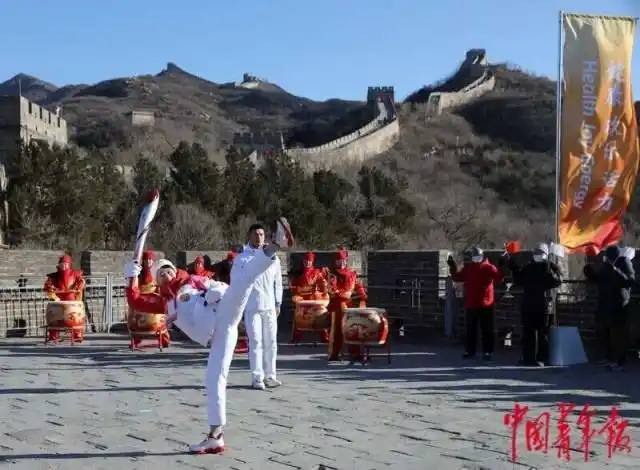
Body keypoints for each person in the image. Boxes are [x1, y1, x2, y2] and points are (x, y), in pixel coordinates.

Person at [125, 219, 292, 454]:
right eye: (161, 273)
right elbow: (135, 300)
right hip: (217, 337)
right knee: (214, 380)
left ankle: (275, 245)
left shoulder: (192, 280)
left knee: (241, 280)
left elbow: (220, 288)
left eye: (168, 269)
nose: (166, 274)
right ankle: (215, 436)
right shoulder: (163, 303)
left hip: (223, 314)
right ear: (157, 280)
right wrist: (131, 277)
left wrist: (212, 293)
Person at [239, 223, 284, 390]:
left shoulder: (274, 258)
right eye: (255, 234)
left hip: (270, 306)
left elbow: (278, 282)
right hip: (252, 307)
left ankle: (270, 375)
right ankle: (257, 377)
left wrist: (278, 302)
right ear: (249, 236)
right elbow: (240, 284)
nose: (259, 237)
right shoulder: (244, 257)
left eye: (261, 234)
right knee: (256, 342)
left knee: (271, 342)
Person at [507, 243, 562, 367]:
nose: (538, 255)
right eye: (536, 253)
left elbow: (557, 281)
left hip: (543, 306)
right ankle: (528, 358)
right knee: (528, 334)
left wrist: (551, 270)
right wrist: (514, 268)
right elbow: (519, 280)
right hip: (529, 304)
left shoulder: (549, 267)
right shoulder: (528, 268)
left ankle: (541, 358)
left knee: (542, 334)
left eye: (540, 253)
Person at [583, 245, 635, 370]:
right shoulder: (606, 267)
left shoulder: (624, 262)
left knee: (618, 335)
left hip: (618, 305)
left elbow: (629, 281)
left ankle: (620, 361)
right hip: (605, 305)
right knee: (604, 333)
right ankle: (608, 358)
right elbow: (598, 280)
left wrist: (616, 270)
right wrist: (589, 272)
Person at [447, 246, 503, 360]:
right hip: (472, 303)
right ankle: (470, 350)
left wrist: (502, 265)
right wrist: (453, 266)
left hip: (486, 303)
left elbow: (499, 278)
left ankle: (487, 351)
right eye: (475, 256)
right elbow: (457, 277)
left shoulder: (489, 267)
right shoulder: (469, 268)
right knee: (470, 329)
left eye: (478, 256)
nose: (476, 258)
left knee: (487, 329)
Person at [131, 250, 171, 348]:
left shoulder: (157, 273)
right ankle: (135, 340)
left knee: (159, 317)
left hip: (154, 301)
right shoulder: (138, 274)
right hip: (141, 302)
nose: (148, 262)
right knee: (136, 315)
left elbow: (161, 287)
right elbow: (134, 288)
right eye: (146, 260)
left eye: (150, 260)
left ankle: (164, 339)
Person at [44, 254, 86, 343]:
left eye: (65, 264)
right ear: (59, 265)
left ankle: (77, 335)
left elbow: (81, 281)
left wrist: (77, 288)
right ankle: (53, 336)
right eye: (62, 264)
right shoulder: (54, 276)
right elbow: (47, 285)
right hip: (58, 298)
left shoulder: (75, 274)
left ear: (69, 264)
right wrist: (53, 291)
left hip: (71, 297)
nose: (63, 265)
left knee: (74, 316)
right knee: (55, 317)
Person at [290, 251, 329, 343]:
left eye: (309, 261)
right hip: (302, 300)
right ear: (303, 262)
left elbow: (324, 285)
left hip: (314, 299)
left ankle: (325, 336)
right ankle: (296, 337)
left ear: (312, 262)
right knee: (298, 316)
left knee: (320, 317)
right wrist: (298, 292)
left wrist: (321, 291)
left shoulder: (317, 273)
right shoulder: (298, 274)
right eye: (305, 261)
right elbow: (293, 287)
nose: (307, 263)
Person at [327, 250, 359, 361]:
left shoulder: (352, 273)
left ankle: (355, 353)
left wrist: (362, 294)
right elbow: (331, 290)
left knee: (353, 328)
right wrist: (343, 294)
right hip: (337, 305)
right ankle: (334, 354)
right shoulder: (332, 274)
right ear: (335, 262)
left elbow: (357, 285)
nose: (341, 263)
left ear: (346, 261)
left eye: (343, 260)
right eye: (339, 261)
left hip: (350, 305)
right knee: (337, 330)